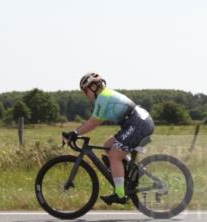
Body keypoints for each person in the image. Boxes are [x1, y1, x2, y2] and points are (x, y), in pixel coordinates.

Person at [64, 72, 154, 204]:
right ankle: (134, 170)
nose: (85, 94)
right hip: (136, 122)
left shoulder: (103, 97)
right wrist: (77, 132)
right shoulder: (105, 96)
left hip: (138, 123)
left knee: (114, 155)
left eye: (85, 90)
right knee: (108, 145)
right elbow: (96, 121)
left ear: (93, 87)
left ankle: (120, 194)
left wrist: (75, 133)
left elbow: (93, 122)